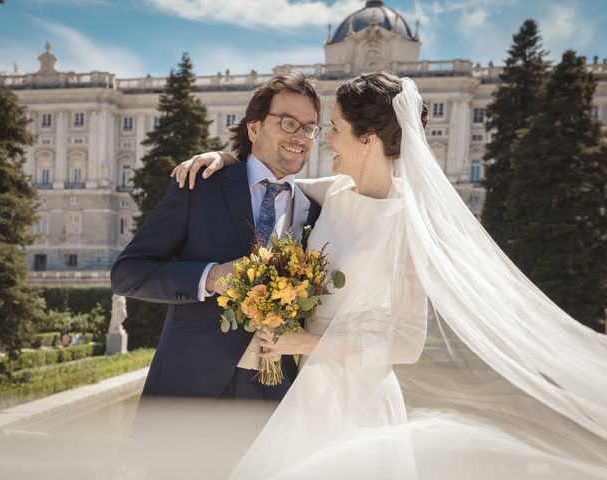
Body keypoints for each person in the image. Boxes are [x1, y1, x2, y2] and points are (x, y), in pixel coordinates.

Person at [173, 73, 607, 479]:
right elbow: (268, 181)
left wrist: (304, 342)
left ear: (367, 140)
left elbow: (407, 344)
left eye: (337, 128)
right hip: (303, 386)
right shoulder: (335, 190)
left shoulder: (411, 224)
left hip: (355, 399)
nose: (326, 139)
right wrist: (226, 158)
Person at [110, 72, 322, 400]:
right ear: (253, 128)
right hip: (187, 391)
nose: (300, 136)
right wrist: (211, 277)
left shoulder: (314, 210)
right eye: (288, 122)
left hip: (272, 398)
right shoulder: (201, 184)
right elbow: (127, 274)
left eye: (309, 127)